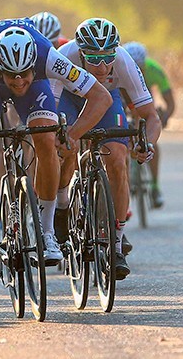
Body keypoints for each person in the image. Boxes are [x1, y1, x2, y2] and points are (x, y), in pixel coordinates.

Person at [0, 17, 113, 277]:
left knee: (46, 139)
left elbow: (101, 97)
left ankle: (46, 233)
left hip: (36, 88)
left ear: (35, 65)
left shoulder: (50, 58)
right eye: (12, 76)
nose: (19, 82)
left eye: (24, 75)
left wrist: (73, 135)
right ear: (1, 68)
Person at [53, 19, 161, 279]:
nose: (102, 67)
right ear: (80, 53)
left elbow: (151, 116)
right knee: (66, 148)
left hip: (107, 99)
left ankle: (116, 242)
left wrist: (147, 143)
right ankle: (63, 204)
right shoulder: (62, 58)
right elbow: (51, 111)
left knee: (117, 160)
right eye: (92, 59)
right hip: (69, 99)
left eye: (107, 58)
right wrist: (64, 136)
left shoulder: (123, 61)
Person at [122, 41, 175, 208]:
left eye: (141, 67)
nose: (138, 70)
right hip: (123, 95)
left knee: (151, 139)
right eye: (134, 67)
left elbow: (170, 101)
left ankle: (155, 186)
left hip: (144, 96)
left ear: (145, 64)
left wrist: (164, 116)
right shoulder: (119, 68)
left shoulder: (154, 69)